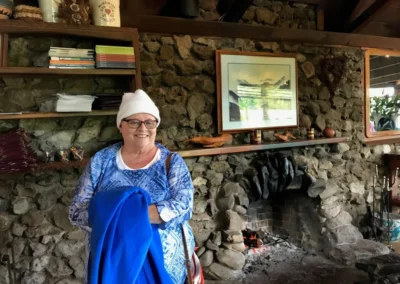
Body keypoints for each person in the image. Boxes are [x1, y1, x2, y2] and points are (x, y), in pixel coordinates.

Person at [69, 89, 195, 284]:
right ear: (121, 125)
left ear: (156, 125)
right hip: (111, 260)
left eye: (149, 122)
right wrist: (134, 217)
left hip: (164, 263)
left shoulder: (171, 162)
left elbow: (183, 207)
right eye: (134, 122)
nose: (142, 128)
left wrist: (124, 216)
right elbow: (77, 210)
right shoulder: (101, 162)